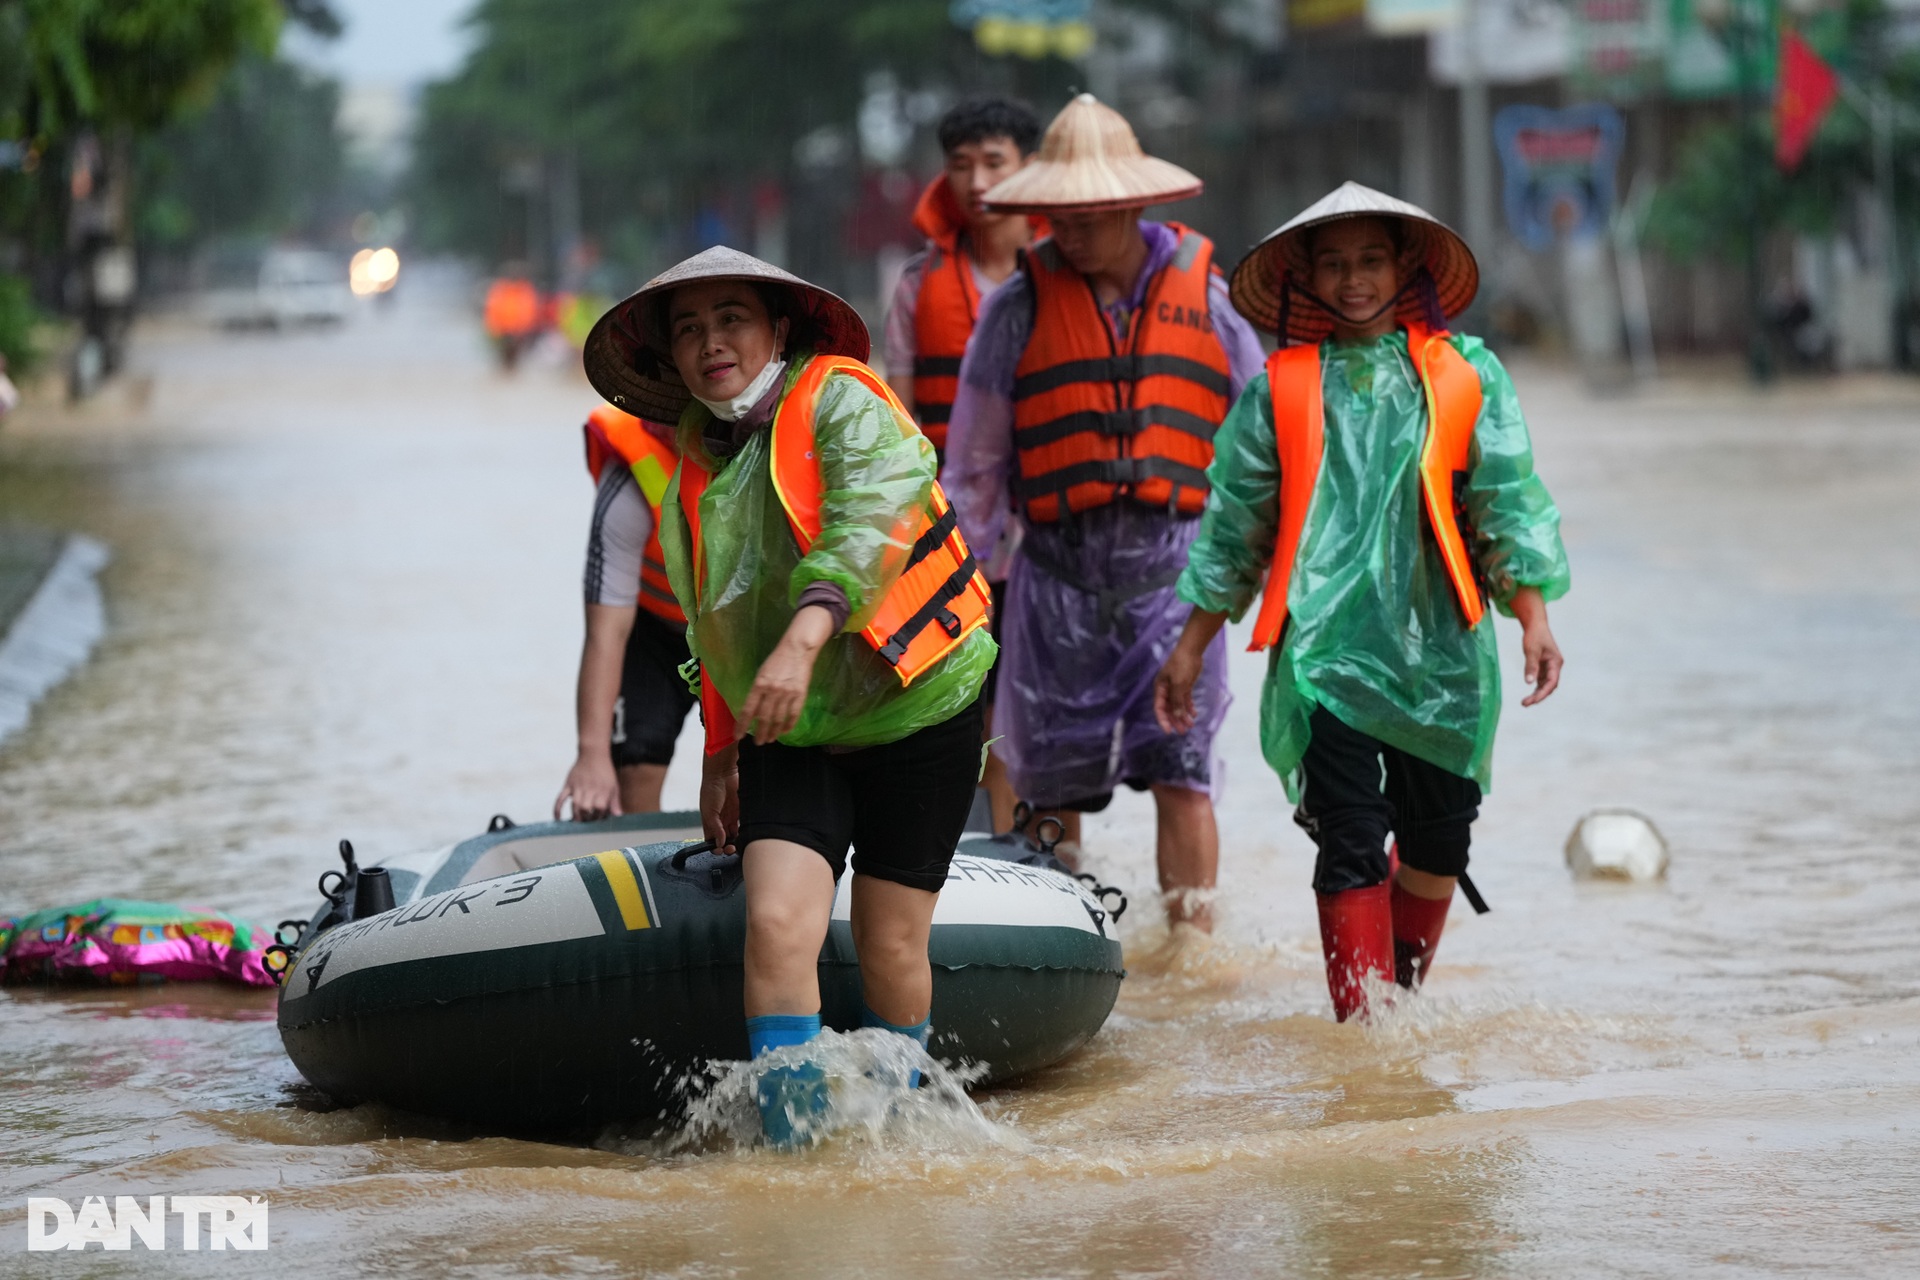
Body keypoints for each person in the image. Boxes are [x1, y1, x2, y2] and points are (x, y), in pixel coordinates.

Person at [582, 247, 996, 1146]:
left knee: (890, 945)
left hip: (916, 703)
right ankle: (794, 1157)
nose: (709, 343)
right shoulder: (695, 456)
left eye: (730, 318)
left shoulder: (843, 398)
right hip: (793, 723)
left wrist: (805, 640)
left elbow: (869, 524)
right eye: (686, 329)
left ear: (778, 327)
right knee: (773, 924)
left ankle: (904, 1134)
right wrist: (720, 752)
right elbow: (715, 624)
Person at [1154, 182, 1570, 1021]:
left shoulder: (1465, 373)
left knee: (1440, 840)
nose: (1353, 281)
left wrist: (1532, 613)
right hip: (1323, 653)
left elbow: (1507, 500)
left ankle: (1399, 1006)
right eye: (1335, 265)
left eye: (1371, 261)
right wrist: (1190, 644)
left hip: (1442, 649)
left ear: (1404, 265)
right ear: (1307, 276)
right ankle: (1365, 1036)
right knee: (1348, 838)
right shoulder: (1280, 389)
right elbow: (1237, 529)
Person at [942, 94, 1265, 929]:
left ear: (1130, 204)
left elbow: (1263, 447)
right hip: (1055, 583)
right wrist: (962, 604)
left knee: (1183, 772)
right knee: (1049, 782)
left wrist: (1256, 575)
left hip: (1175, 578)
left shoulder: (1211, 299)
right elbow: (973, 473)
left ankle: (1191, 953)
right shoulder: (1015, 310)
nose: (1066, 232)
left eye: (1086, 216)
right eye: (1056, 215)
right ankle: (1057, 938)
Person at [884, 96, 1042, 834]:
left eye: (994, 162)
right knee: (965, 700)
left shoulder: (1059, 278)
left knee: (1040, 702)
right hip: (953, 538)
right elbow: (899, 423)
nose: (976, 180)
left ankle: (1050, 858)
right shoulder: (919, 285)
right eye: (960, 165)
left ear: (1029, 170)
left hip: (1050, 535)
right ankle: (979, 847)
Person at [551, 404, 697, 820]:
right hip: (655, 630)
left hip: (744, 635)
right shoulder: (632, 476)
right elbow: (606, 632)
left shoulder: (768, 451)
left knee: (753, 780)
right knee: (632, 769)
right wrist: (591, 754)